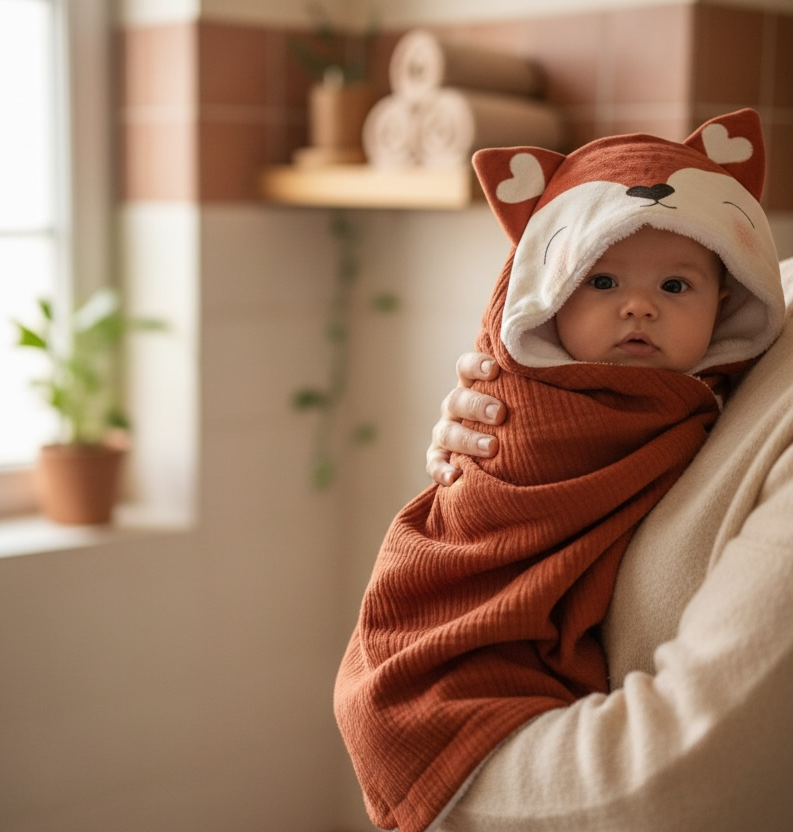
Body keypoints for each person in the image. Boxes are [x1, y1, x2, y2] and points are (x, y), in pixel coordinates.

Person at [334, 108, 786, 832]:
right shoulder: (524, 393)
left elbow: (677, 787)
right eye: (600, 282)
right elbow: (493, 494)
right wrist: (502, 422)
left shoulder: (729, 369)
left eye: (676, 289)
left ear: (727, 305)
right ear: (546, 296)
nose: (639, 305)